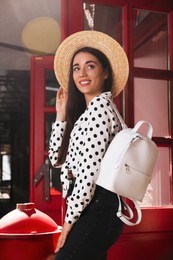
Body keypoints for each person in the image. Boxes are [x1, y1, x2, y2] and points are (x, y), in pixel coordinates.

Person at [48, 30, 129, 260]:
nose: (81, 73)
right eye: (76, 67)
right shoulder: (89, 114)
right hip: (95, 206)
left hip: (96, 206)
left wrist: (68, 222)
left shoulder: (100, 111)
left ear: (105, 73)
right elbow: (56, 159)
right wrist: (61, 117)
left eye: (90, 66)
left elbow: (88, 175)